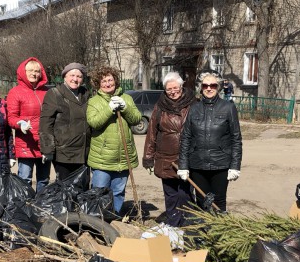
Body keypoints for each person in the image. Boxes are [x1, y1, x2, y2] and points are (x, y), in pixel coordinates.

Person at [177, 71, 243, 212]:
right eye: (205, 85)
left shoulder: (228, 108)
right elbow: (186, 138)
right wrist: (183, 165)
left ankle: (219, 232)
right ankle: (204, 232)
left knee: (218, 201)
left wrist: (235, 165)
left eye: (212, 85)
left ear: (218, 87)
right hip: (198, 165)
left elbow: (236, 139)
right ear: (201, 88)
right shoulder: (194, 109)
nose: (209, 88)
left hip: (221, 164)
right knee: (202, 201)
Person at [86, 66, 142, 214]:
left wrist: (125, 108)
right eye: (103, 81)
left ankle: (114, 219)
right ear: (98, 84)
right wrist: (109, 108)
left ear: (115, 81)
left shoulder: (127, 98)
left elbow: (136, 119)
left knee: (118, 192)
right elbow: (93, 122)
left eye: (110, 79)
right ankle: (96, 223)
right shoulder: (94, 101)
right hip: (102, 159)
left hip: (123, 157)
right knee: (98, 193)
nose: (107, 83)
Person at [142, 72, 195, 226]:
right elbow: (152, 133)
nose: (173, 91)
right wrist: (148, 158)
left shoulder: (193, 103)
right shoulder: (160, 107)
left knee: (186, 194)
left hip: (187, 158)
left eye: (175, 88)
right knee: (171, 194)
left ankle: (187, 224)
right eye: (169, 89)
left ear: (181, 86)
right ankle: (173, 223)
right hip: (165, 158)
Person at [39, 62, 91, 180]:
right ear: (65, 77)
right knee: (66, 190)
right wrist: (47, 149)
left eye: (79, 76)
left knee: (82, 189)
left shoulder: (86, 94)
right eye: (72, 75)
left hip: (84, 152)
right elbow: (46, 123)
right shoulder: (55, 94)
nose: (75, 79)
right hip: (64, 153)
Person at [6, 57, 50, 192]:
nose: (34, 74)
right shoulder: (15, 92)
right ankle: (25, 207)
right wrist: (20, 124)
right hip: (26, 142)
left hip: (44, 142)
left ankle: (42, 207)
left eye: (37, 71)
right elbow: (11, 117)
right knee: (25, 179)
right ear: (23, 72)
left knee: (44, 179)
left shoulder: (47, 92)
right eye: (30, 70)